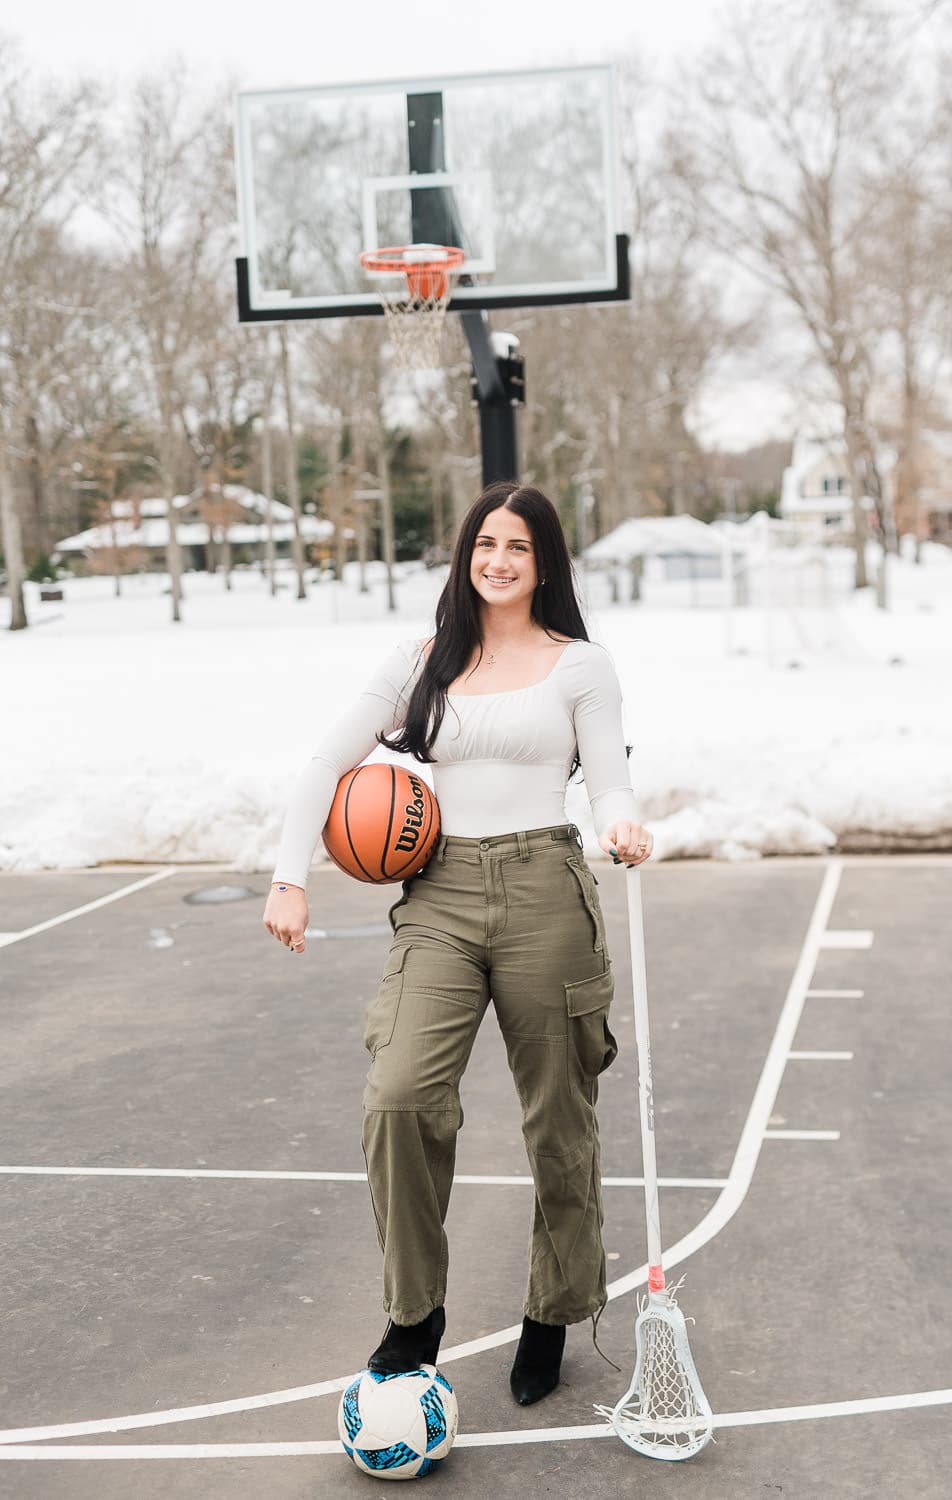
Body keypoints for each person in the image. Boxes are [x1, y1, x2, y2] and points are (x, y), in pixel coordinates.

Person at [263, 480, 653, 1406]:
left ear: (545, 561)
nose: (499, 561)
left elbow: (609, 780)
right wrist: (290, 874)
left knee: (559, 1118)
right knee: (399, 1095)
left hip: (545, 888)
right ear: (465, 555)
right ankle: (414, 1315)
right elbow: (326, 761)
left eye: (518, 547)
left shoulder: (580, 666)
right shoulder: (423, 657)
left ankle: (554, 1310)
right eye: (485, 544)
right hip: (436, 891)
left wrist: (625, 825)